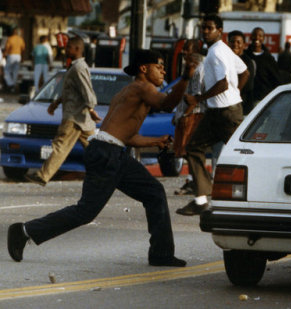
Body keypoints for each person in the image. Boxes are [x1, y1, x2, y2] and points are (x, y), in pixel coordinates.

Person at [7, 48, 198, 266]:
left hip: (112, 151)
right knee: (86, 212)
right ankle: (24, 231)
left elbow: (125, 135)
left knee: (154, 193)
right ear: (144, 69)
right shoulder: (143, 87)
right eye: (159, 66)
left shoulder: (128, 92)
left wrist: (154, 142)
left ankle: (161, 254)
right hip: (108, 155)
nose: (163, 71)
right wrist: (185, 77)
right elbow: (168, 104)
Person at [175, 14, 249, 216]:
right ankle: (200, 199)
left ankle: (252, 199)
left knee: (244, 155)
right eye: (203, 28)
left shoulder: (216, 53)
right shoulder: (223, 49)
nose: (205, 31)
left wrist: (198, 99)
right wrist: (236, 94)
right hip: (221, 111)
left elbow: (223, 83)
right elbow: (245, 72)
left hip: (225, 113)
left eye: (209, 28)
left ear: (219, 31)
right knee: (195, 146)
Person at [24, 37, 100, 186]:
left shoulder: (79, 68)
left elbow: (87, 92)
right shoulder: (74, 67)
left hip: (74, 117)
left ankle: (43, 175)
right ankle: (108, 173)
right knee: (94, 150)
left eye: (69, 47)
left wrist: (91, 108)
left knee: (60, 146)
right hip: (82, 118)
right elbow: (71, 91)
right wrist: (56, 103)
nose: (66, 50)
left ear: (78, 49)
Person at [172, 40, 206, 196]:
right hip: (186, 113)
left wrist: (186, 114)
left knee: (190, 150)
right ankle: (193, 181)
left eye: (187, 50)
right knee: (185, 151)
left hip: (194, 114)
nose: (184, 53)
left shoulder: (199, 70)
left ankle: (196, 183)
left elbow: (196, 96)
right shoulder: (188, 70)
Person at [244, 27, 281, 105]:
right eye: (254, 35)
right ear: (251, 37)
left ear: (263, 38)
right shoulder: (245, 56)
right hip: (246, 99)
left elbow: (276, 80)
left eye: (260, 36)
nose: (257, 38)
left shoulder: (269, 58)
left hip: (262, 99)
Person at [228, 30, 255, 115]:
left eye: (238, 42)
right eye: (232, 42)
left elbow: (248, 85)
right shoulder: (226, 59)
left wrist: (234, 94)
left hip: (243, 106)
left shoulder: (248, 62)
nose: (235, 44)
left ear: (244, 45)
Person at [4, 27, 25, 93]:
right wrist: (22, 57)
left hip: (11, 55)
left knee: (6, 70)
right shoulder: (20, 39)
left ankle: (11, 84)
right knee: (15, 71)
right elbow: (23, 49)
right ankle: (14, 85)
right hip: (18, 56)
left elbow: (7, 48)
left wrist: (4, 55)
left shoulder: (10, 39)